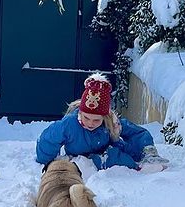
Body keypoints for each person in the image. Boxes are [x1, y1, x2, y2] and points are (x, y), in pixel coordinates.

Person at [36, 73, 168, 172]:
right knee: (112, 158)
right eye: (86, 117)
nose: (90, 123)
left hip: (104, 152)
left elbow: (137, 133)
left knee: (121, 154)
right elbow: (48, 139)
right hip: (78, 158)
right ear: (81, 112)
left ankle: (146, 162)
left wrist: (148, 150)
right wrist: (48, 161)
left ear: (104, 117)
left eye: (96, 120)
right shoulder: (69, 124)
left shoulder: (111, 123)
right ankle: (137, 167)